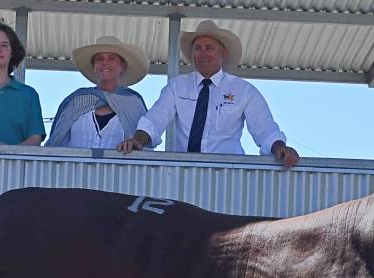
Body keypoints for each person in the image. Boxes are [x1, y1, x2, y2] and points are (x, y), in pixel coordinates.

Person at [117, 20, 299, 168]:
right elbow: (156, 119)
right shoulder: (177, 86)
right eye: (197, 48)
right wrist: (138, 140)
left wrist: (280, 148)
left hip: (229, 172)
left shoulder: (244, 91)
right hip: (182, 171)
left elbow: (265, 129)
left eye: (209, 47)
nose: (202, 53)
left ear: (223, 53)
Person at [46, 36, 150, 149]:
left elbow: (144, 145)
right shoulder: (76, 101)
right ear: (94, 66)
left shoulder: (134, 103)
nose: (105, 62)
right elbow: (57, 142)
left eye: (111, 58)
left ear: (123, 66)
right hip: (74, 166)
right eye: (100, 59)